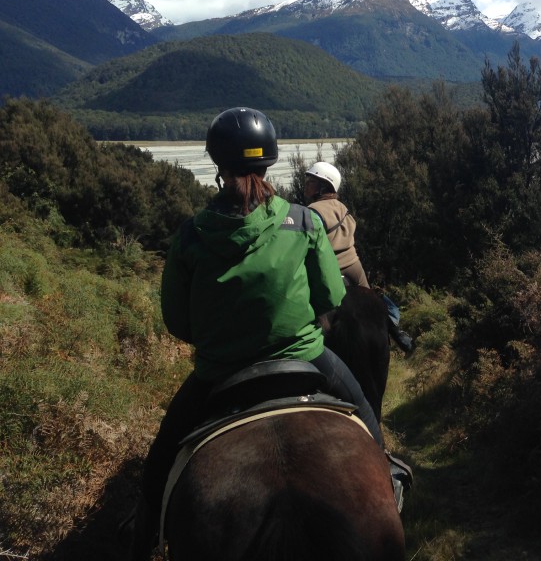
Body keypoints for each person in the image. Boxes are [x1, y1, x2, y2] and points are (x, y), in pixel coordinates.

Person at [129, 107, 409, 559]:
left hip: (218, 373)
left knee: (159, 462)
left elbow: (178, 323)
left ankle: (142, 538)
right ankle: (391, 477)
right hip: (307, 358)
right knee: (366, 419)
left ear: (218, 165)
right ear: (269, 162)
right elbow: (332, 297)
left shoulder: (191, 237)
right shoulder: (302, 221)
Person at [303, 160, 414, 354]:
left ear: (322, 186)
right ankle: (397, 333)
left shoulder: (311, 212)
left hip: (329, 270)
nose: (306, 185)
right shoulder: (343, 208)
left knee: (308, 314)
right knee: (374, 304)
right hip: (354, 267)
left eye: (311, 181)